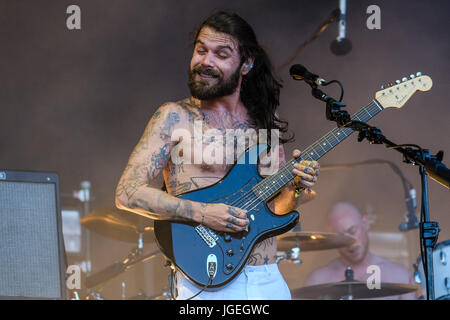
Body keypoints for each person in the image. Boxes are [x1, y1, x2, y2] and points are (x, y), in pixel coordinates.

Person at [114, 11, 320, 300]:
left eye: (220, 54)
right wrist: (204, 213)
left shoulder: (265, 120)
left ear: (246, 63)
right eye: (201, 51)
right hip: (205, 282)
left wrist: (296, 188)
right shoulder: (174, 117)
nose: (205, 61)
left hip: (267, 278)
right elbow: (126, 193)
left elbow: (277, 209)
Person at [303, 202, 417, 300]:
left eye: (352, 231)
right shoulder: (318, 280)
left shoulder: (399, 275)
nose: (349, 242)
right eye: (340, 237)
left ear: (365, 223)